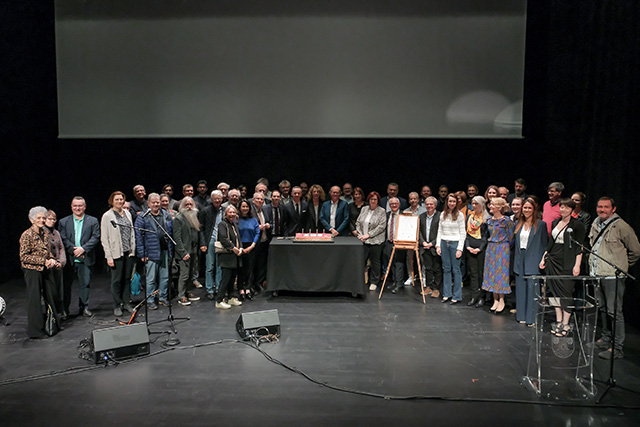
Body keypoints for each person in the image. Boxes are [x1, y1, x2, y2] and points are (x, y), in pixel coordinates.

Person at [589, 197, 640, 359]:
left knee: (614, 311)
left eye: (606, 207)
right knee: (602, 308)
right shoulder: (596, 223)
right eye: (599, 206)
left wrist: (621, 266)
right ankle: (606, 339)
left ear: (613, 209)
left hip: (613, 276)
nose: (602, 209)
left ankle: (617, 347)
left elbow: (635, 251)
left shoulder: (621, 226)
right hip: (597, 273)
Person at [539, 198, 585, 337]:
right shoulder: (555, 222)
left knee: (566, 292)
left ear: (572, 209)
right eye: (562, 207)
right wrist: (543, 258)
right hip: (553, 260)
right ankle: (558, 321)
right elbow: (550, 243)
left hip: (567, 262)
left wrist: (577, 265)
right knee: (554, 292)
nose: (563, 210)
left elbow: (579, 247)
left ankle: (566, 323)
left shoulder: (577, 225)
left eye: (567, 207)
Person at [58, 197, 101, 317]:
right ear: (71, 207)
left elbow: (95, 237)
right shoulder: (63, 222)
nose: (78, 208)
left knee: (85, 284)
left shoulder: (93, 221)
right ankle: (65, 310)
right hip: (69, 258)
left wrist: (83, 249)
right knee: (66, 285)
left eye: (80, 205)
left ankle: (84, 307)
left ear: (84, 207)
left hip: (86, 257)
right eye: (75, 206)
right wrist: (74, 250)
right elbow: (63, 238)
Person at [20, 207, 58, 338]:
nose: (42, 220)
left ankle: (52, 325)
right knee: (34, 299)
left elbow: (47, 251)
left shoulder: (45, 233)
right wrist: (43, 261)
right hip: (32, 270)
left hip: (45, 269)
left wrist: (51, 259)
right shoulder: (27, 235)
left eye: (44, 218)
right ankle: (35, 331)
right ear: (32, 220)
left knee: (51, 295)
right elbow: (24, 257)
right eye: (39, 218)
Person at [135, 193, 173, 309]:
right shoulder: (143, 216)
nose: (156, 204)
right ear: (148, 203)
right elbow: (138, 237)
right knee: (151, 278)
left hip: (164, 250)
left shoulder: (165, 214)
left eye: (158, 202)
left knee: (165, 277)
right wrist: (142, 253)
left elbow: (170, 232)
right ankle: (150, 299)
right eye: (153, 202)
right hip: (151, 252)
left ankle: (162, 297)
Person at [100, 191, 136, 316]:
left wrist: (133, 249)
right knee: (116, 281)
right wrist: (108, 256)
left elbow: (131, 232)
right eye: (117, 199)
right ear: (112, 201)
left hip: (128, 252)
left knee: (127, 278)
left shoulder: (127, 213)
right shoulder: (107, 216)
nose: (119, 201)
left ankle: (126, 302)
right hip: (116, 253)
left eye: (121, 199)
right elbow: (104, 238)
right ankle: (117, 304)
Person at [513, 198, 548, 326]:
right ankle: (521, 316)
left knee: (532, 289)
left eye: (529, 208)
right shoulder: (518, 224)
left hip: (533, 258)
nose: (526, 210)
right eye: (525, 208)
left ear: (534, 210)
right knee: (521, 288)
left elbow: (544, 244)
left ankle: (531, 318)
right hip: (520, 258)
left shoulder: (541, 224)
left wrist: (543, 259)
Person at [481, 197, 515, 314]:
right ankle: (495, 299)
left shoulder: (506, 221)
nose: (490, 206)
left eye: (493, 205)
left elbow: (511, 237)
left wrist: (504, 246)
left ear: (499, 207)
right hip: (491, 248)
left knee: (501, 274)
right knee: (492, 273)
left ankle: (502, 300)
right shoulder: (489, 221)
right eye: (490, 204)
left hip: (502, 248)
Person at [436, 194, 466, 304]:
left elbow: (463, 233)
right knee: (446, 269)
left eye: (454, 201)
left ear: (456, 203)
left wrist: (460, 249)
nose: (452, 203)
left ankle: (456, 296)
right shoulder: (443, 214)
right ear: (447, 202)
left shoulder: (460, 215)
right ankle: (446, 294)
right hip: (444, 243)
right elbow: (439, 231)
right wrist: (438, 245)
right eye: (450, 201)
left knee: (456, 270)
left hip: (455, 243)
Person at [173, 197, 202, 306]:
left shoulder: (194, 217)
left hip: (193, 249)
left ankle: (187, 292)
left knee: (191, 274)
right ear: (182, 206)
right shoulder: (178, 218)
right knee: (184, 275)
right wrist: (182, 252)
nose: (189, 207)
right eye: (187, 204)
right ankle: (181, 296)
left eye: (191, 204)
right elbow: (177, 238)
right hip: (184, 251)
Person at [355, 191, 386, 291]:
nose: (373, 201)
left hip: (375, 240)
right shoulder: (364, 209)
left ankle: (374, 282)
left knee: (375, 262)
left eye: (375, 199)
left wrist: (368, 235)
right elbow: (358, 222)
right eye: (371, 199)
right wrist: (361, 235)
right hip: (363, 240)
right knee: (361, 261)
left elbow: (381, 227)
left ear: (378, 201)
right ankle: (360, 280)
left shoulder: (382, 211)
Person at [216, 206, 243, 309]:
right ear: (225, 214)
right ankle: (219, 300)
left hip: (234, 257)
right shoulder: (222, 224)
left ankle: (231, 297)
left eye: (234, 212)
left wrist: (240, 248)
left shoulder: (234, 224)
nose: (232, 214)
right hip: (226, 256)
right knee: (225, 280)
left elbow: (238, 238)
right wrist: (233, 248)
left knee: (232, 279)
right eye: (230, 212)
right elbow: (223, 238)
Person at [199, 190, 225, 300]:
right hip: (210, 240)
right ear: (211, 199)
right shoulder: (205, 210)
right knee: (210, 267)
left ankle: (218, 288)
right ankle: (209, 289)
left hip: (221, 241)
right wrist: (203, 243)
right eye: (215, 198)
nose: (217, 200)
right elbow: (200, 228)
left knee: (220, 267)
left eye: (219, 198)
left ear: (222, 199)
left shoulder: (225, 210)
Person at [464, 196, 489, 307]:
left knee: (481, 274)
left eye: (476, 204)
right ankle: (474, 295)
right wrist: (468, 246)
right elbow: (467, 234)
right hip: (470, 248)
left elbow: (486, 236)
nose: (474, 206)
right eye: (473, 203)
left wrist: (480, 248)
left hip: (481, 249)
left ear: (482, 204)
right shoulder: (470, 216)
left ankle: (482, 297)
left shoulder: (486, 218)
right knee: (473, 273)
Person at [44, 210, 66, 318]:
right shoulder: (42, 233)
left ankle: (60, 311)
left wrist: (61, 262)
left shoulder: (56, 233)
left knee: (59, 290)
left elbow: (61, 248)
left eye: (54, 219)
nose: (52, 221)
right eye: (49, 219)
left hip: (57, 266)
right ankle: (51, 313)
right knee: (50, 291)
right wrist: (50, 261)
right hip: (47, 266)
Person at [419, 196, 442, 299]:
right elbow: (418, 231)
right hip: (425, 247)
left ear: (435, 205)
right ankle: (428, 287)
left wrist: (432, 243)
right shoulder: (421, 216)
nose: (429, 206)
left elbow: (441, 232)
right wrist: (423, 242)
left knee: (437, 268)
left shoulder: (440, 216)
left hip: (435, 246)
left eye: (431, 204)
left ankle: (436, 288)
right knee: (428, 268)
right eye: (427, 204)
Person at [237, 200, 260, 301]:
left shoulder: (254, 220)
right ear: (239, 208)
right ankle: (241, 289)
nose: (245, 208)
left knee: (250, 269)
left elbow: (257, 233)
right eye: (243, 206)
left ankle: (248, 289)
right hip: (240, 247)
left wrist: (252, 246)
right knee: (241, 269)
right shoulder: (236, 220)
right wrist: (240, 248)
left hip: (251, 247)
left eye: (247, 206)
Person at [382, 197, 406, 293]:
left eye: (396, 203)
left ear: (399, 205)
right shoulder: (387, 214)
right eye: (392, 204)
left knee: (399, 263)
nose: (394, 205)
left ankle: (399, 284)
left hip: (400, 242)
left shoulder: (404, 215)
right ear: (389, 205)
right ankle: (395, 281)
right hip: (389, 242)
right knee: (391, 263)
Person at [251, 192, 272, 293]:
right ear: (253, 200)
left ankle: (258, 283)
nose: (259, 201)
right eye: (257, 199)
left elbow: (270, 222)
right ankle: (251, 285)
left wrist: (269, 225)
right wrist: (256, 228)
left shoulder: (264, 210)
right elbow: (245, 225)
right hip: (254, 242)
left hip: (264, 241)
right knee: (253, 265)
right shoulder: (250, 211)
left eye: (261, 199)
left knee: (261, 264)